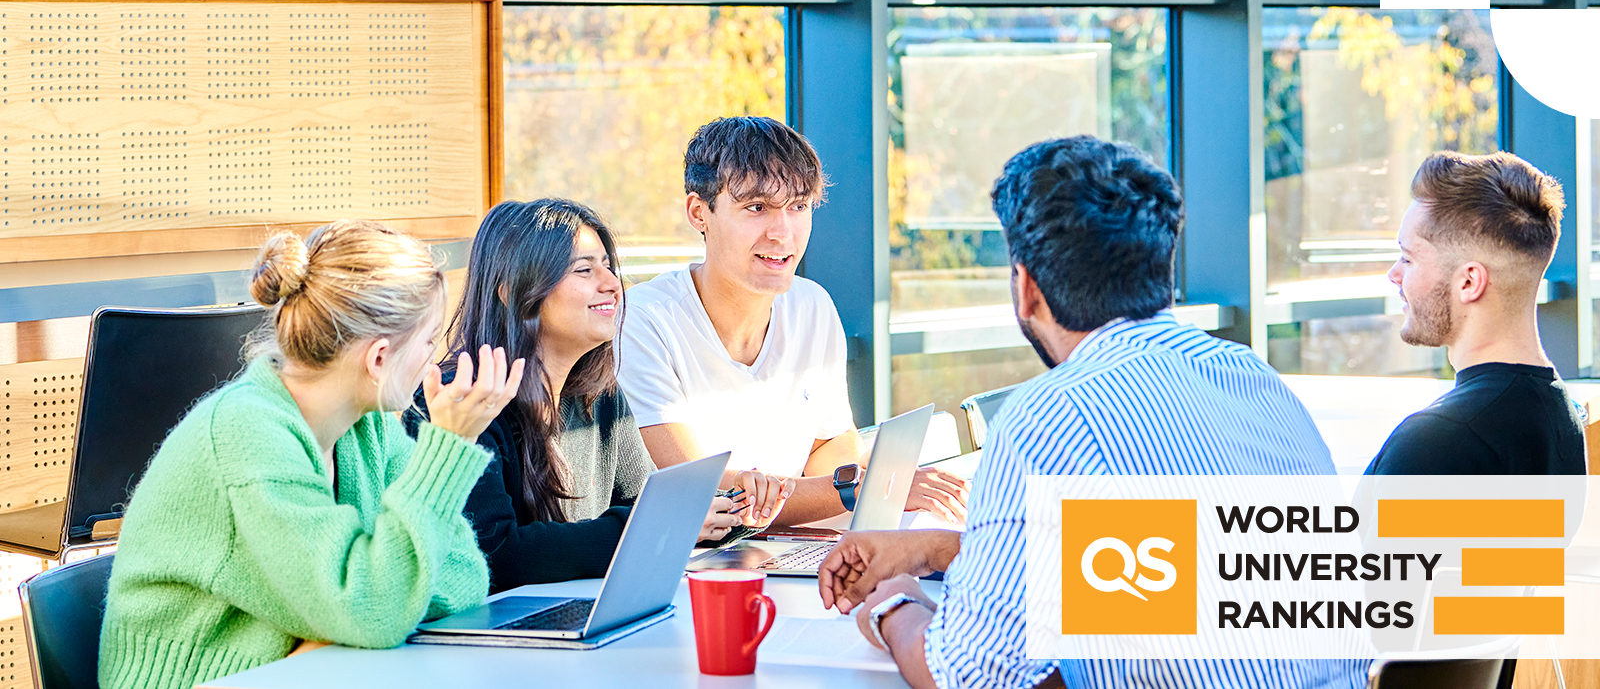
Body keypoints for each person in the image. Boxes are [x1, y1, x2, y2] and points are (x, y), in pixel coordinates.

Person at [815, 136, 1364, 689]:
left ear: (1026, 288)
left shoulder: (1051, 416)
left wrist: (893, 609)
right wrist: (939, 549)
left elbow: (972, 677)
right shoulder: (1251, 378)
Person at [99, 221, 524, 689]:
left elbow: (465, 578)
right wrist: (448, 451)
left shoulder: (368, 427)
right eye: (429, 341)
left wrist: (360, 615)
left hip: (309, 672)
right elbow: (377, 609)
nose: (434, 357)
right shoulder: (246, 434)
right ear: (379, 358)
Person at [404, 199, 790, 594]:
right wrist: (659, 522)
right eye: (585, 270)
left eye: (607, 266)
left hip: (579, 620)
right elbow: (496, 555)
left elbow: (642, 509)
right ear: (514, 292)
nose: (610, 283)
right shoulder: (455, 403)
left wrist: (734, 510)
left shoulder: (600, 397)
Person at [617, 116, 967, 526]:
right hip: (698, 566)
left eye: (798, 206)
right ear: (700, 213)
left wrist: (885, 477)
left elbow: (828, 447)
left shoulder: (811, 305)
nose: (782, 233)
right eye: (757, 208)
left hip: (785, 550)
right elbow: (702, 489)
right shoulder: (641, 320)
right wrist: (865, 489)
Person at [1368, 151, 1586, 475]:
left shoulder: (1434, 445)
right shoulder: (1565, 421)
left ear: (1469, 282)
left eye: (1408, 258)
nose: (1394, 274)